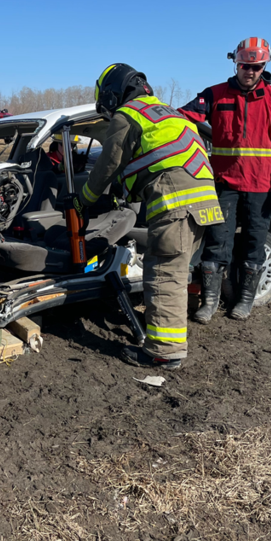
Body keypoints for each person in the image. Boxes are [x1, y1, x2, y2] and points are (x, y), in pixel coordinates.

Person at [73, 64, 223, 370]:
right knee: (175, 274)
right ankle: (167, 341)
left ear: (114, 93)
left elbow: (108, 165)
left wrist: (83, 200)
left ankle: (165, 352)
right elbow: (155, 159)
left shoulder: (127, 115)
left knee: (165, 275)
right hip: (202, 205)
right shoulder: (167, 113)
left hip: (177, 204)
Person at [181, 38, 271, 323]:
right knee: (218, 242)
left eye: (255, 67)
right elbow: (184, 116)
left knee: (254, 243)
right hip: (224, 184)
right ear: (236, 63)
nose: (249, 72)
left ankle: (244, 301)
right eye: (244, 66)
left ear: (264, 66)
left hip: (259, 186)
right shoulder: (216, 94)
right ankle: (209, 303)